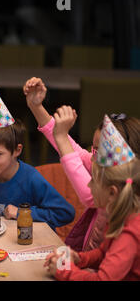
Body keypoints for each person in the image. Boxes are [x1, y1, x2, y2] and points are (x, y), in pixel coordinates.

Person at [23, 77, 140, 250]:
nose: (92, 157)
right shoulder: (99, 165)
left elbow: (88, 196)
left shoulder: (121, 193)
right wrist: (36, 106)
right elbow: (73, 150)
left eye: (100, 151)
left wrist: (61, 136)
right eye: (94, 150)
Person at [45, 118, 139, 280]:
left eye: (93, 181)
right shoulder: (120, 216)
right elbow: (104, 252)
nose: (88, 186)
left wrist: (63, 271)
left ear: (112, 192)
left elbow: (103, 279)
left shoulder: (129, 234)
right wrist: (79, 258)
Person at [0, 86, 75, 230]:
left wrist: (22, 213)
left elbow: (65, 213)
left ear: (17, 150)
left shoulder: (32, 179)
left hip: (30, 245)